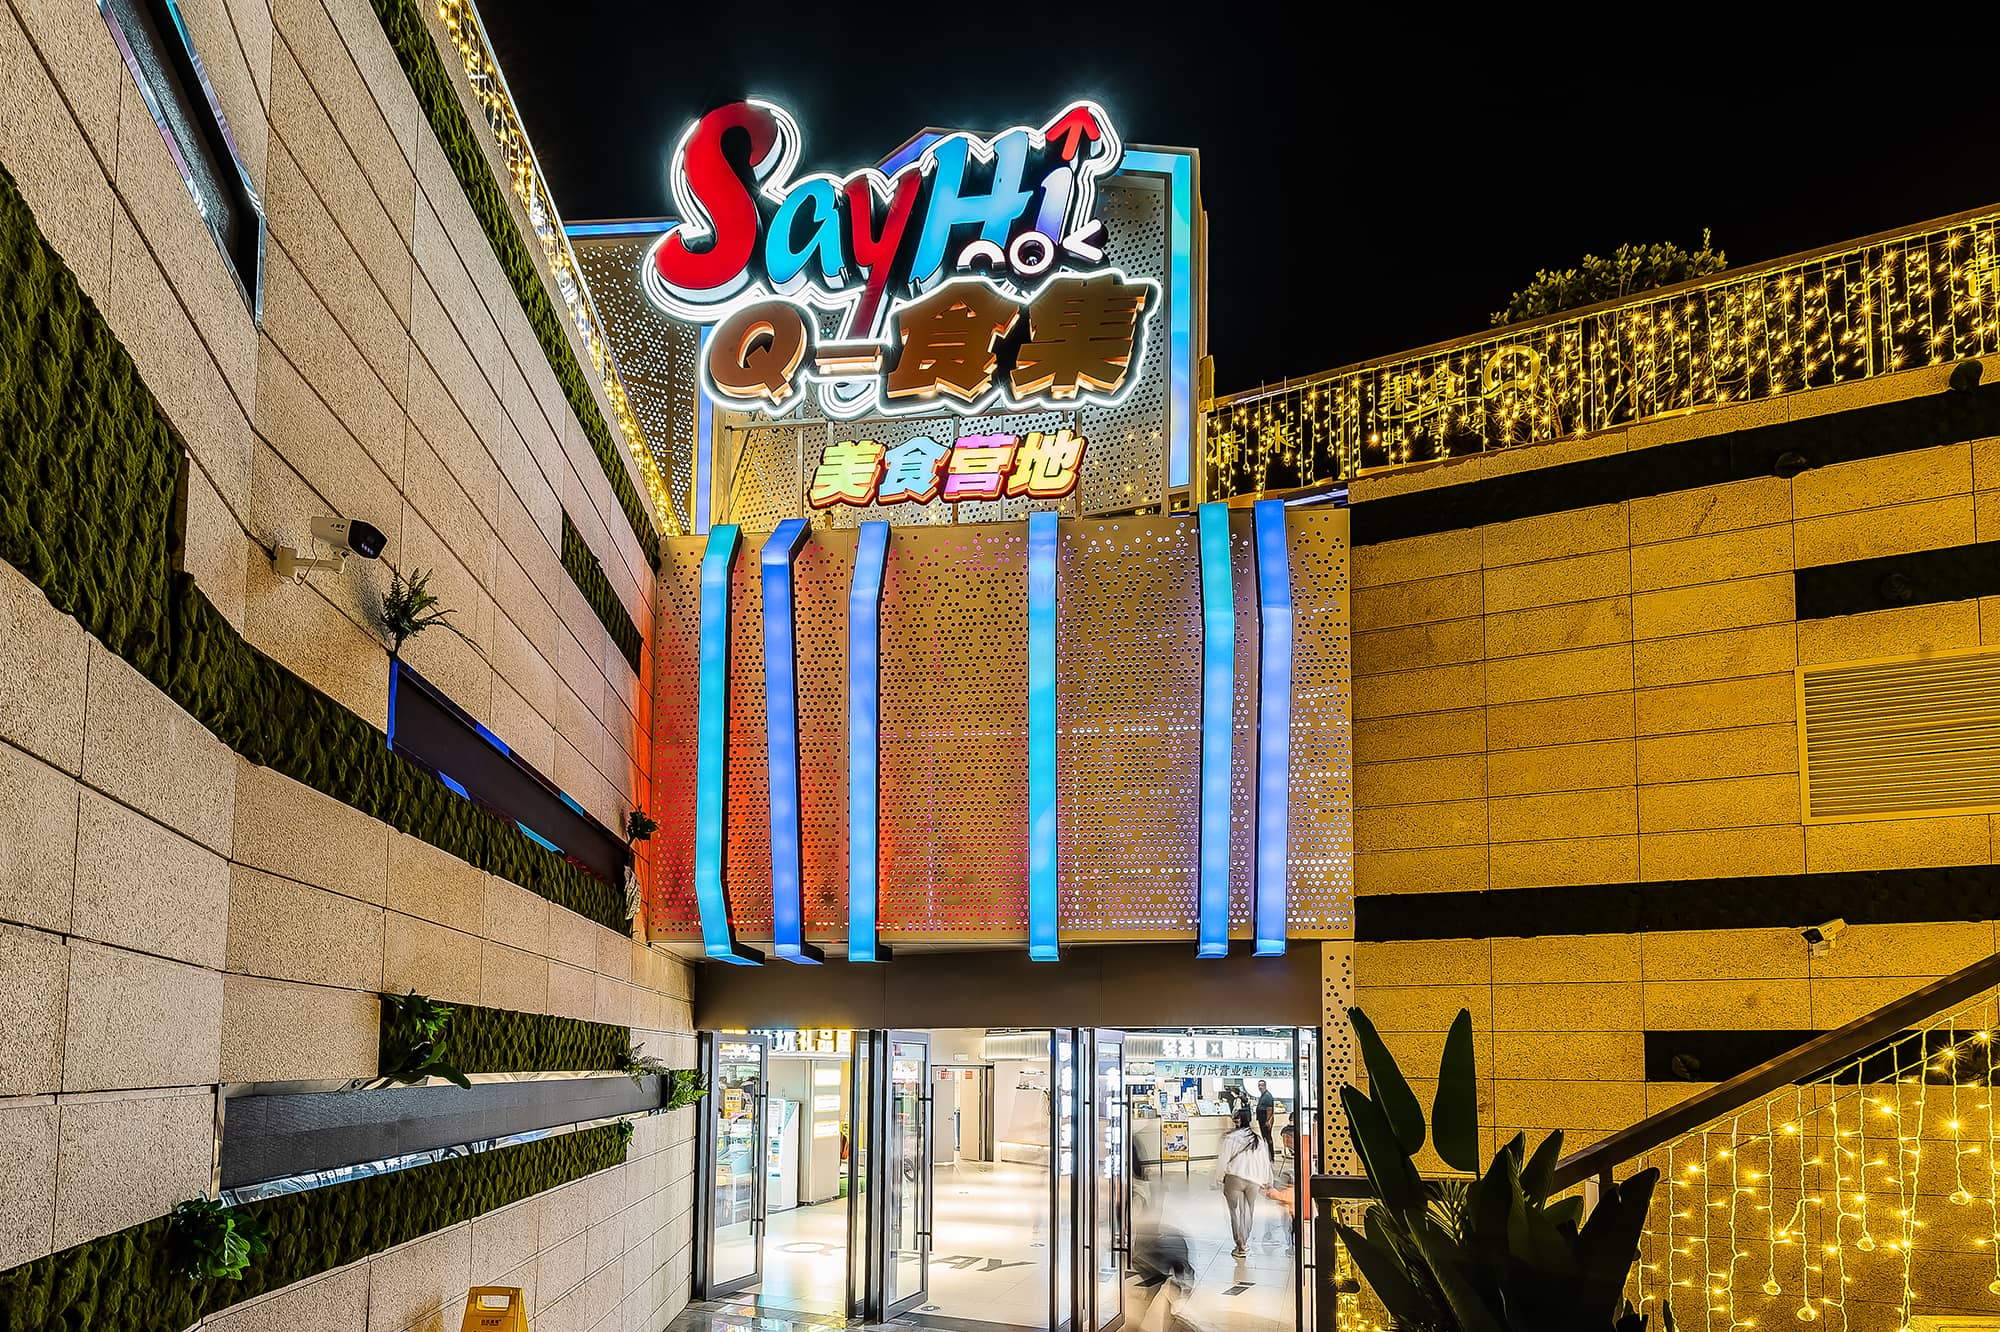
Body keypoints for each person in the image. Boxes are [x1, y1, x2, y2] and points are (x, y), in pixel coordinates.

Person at [1215, 1106, 1273, 1258]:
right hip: (1254, 1180)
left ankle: (1239, 1244)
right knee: (1247, 1211)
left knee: (1234, 1212)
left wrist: (1219, 1177)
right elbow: (1264, 1161)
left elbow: (1223, 1159)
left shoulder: (1231, 1137)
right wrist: (1266, 1179)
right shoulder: (1258, 1139)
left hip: (1234, 1177)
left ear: (1238, 1120)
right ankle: (1245, 1241)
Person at [1254, 1079, 1276, 1152]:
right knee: (1264, 1137)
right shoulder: (1263, 1095)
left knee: (1267, 1137)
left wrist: (1268, 1121)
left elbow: (1270, 1109)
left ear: (1265, 1086)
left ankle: (1270, 1154)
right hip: (1262, 1120)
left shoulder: (1267, 1095)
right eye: (1259, 1085)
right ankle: (1267, 1153)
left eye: (1262, 1085)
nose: (1260, 1087)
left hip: (1265, 1120)